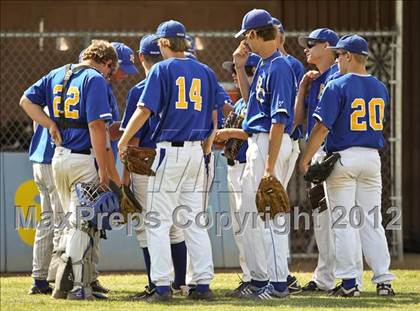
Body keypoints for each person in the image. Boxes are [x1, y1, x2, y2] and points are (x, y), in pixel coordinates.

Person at [118, 20, 218, 302]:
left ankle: (162, 287)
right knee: (194, 222)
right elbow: (214, 117)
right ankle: (203, 285)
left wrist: (124, 141)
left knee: (157, 221)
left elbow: (144, 110)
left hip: (168, 152)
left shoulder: (161, 68)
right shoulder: (206, 71)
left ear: (163, 43)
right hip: (196, 152)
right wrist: (206, 147)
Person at [20, 39, 118, 300]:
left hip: (59, 159)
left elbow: (25, 101)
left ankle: (61, 280)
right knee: (81, 224)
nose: (109, 76)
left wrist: (50, 124)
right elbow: (97, 126)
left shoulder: (58, 73)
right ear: (106, 62)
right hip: (81, 158)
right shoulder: (94, 78)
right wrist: (103, 169)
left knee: (67, 223)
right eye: (111, 70)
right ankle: (75, 287)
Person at [299, 34, 396, 297]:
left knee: (343, 222)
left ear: (350, 56)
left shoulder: (337, 85)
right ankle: (383, 281)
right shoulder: (380, 87)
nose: (338, 59)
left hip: (343, 157)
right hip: (372, 158)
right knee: (372, 221)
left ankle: (350, 283)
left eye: (340, 55)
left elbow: (321, 128)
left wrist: (306, 158)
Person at [225, 9, 297, 299]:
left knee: (269, 215)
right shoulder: (265, 65)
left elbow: (279, 119)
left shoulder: (279, 67)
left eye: (246, 37)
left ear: (254, 34)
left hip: (270, 142)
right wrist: (240, 67)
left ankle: (279, 284)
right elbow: (251, 106)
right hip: (258, 141)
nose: (245, 42)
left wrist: (269, 166)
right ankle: (260, 280)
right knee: (249, 215)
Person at [294, 28, 363, 293]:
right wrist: (302, 88)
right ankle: (324, 276)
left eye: (311, 44)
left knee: (342, 219)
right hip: (317, 152)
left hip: (333, 152)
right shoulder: (317, 79)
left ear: (327, 45)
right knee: (322, 218)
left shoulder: (340, 76)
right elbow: (299, 120)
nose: (306, 49)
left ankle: (351, 278)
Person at [120, 34, 187, 299]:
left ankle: (155, 283)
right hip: (176, 159)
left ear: (141, 57)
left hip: (145, 162)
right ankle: (180, 282)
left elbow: (133, 138)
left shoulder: (141, 88)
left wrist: (125, 175)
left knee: (148, 227)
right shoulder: (179, 80)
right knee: (175, 224)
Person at [217, 52, 260, 297]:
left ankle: (259, 277)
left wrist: (228, 133)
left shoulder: (256, 99)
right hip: (234, 166)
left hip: (247, 167)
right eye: (233, 71)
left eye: (240, 70)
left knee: (250, 225)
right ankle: (248, 276)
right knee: (239, 228)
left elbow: (254, 132)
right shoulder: (243, 101)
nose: (234, 74)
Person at [27, 122, 64, 295]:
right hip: (52, 158)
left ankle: (39, 280)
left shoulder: (41, 96)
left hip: (38, 159)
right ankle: (59, 279)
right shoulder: (55, 93)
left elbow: (36, 120)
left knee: (47, 222)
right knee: (61, 221)